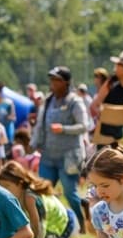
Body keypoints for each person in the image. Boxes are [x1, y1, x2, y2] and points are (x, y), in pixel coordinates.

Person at [0, 160, 80, 238]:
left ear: (20, 184)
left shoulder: (29, 197)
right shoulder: (13, 196)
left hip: (62, 223)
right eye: (0, 187)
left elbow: (40, 224)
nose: (3, 191)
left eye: (7, 186)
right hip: (50, 223)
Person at [28, 66, 89, 221]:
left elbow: (84, 125)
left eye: (57, 80)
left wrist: (64, 129)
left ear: (66, 83)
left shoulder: (75, 101)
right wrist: (33, 143)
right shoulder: (48, 101)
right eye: (52, 79)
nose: (53, 83)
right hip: (48, 155)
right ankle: (42, 223)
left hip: (69, 156)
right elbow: (40, 125)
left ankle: (81, 221)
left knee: (69, 192)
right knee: (41, 191)